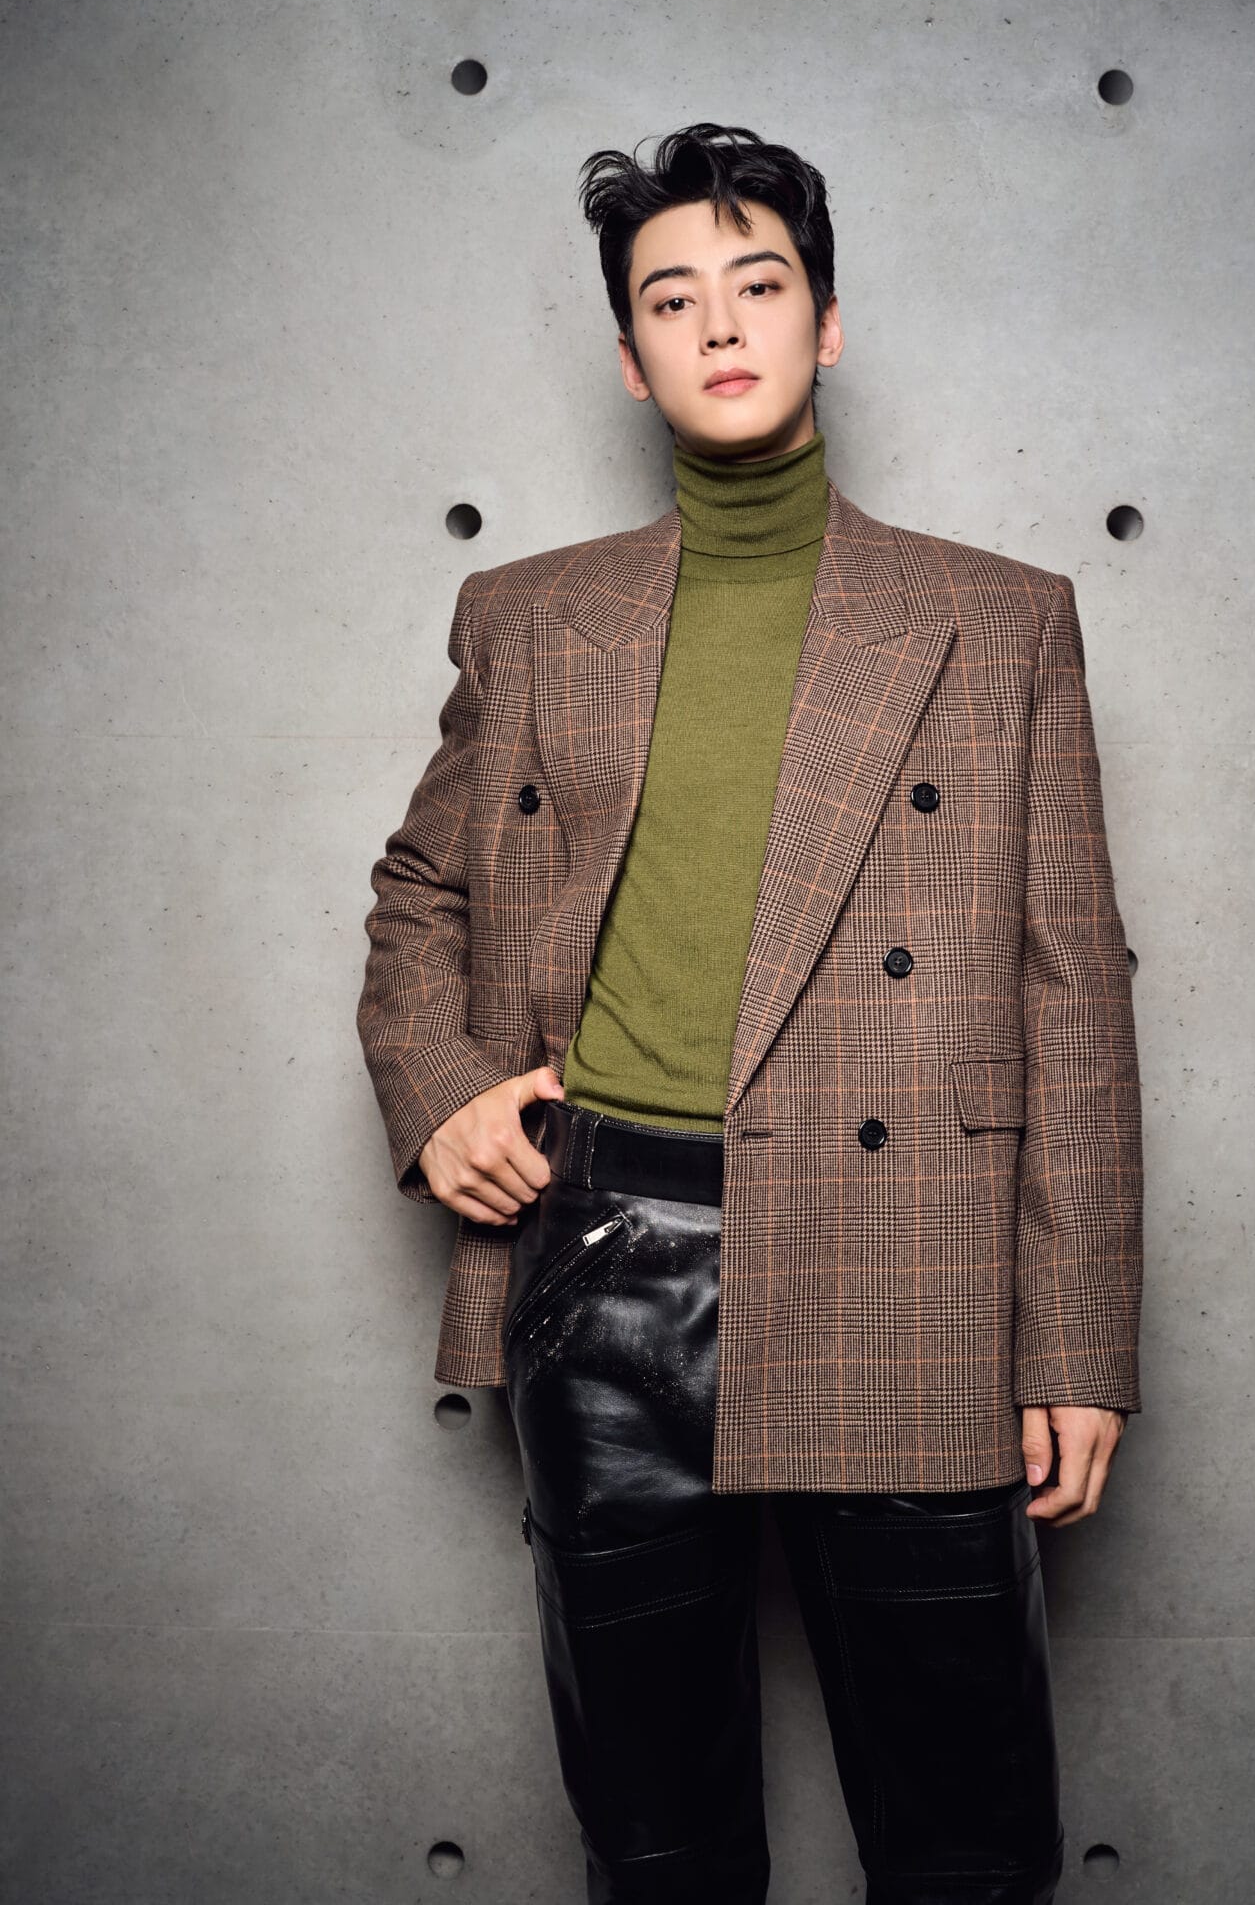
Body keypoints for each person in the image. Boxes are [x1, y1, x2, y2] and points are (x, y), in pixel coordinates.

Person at [357, 120, 1144, 1905]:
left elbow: (1074, 991)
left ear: (826, 323)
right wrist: (441, 1085)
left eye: (759, 282)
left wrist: (1080, 1342)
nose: (719, 323)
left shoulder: (999, 620)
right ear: (631, 358)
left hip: (910, 1261)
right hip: (609, 1264)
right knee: (659, 1844)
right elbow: (420, 893)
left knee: (965, 1848)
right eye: (672, 298)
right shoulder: (532, 617)